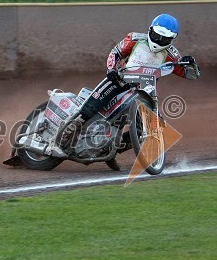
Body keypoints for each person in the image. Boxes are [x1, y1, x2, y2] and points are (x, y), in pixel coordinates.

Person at [51, 13, 200, 156]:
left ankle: (113, 149)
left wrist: (191, 64)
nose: (158, 40)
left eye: (164, 39)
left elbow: (190, 74)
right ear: (150, 30)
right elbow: (115, 52)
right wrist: (112, 69)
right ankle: (62, 139)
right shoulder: (135, 39)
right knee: (90, 108)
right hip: (119, 80)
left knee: (158, 125)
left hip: (144, 91)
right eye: (156, 35)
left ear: (172, 39)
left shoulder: (172, 54)